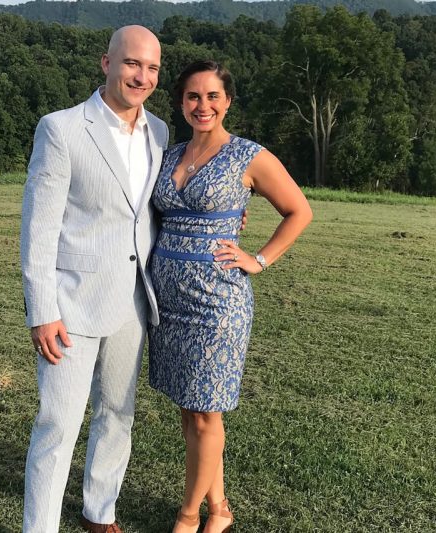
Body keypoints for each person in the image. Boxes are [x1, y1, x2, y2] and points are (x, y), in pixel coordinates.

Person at [147, 60, 313, 533]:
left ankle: (187, 515)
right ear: (180, 102)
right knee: (191, 408)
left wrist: (258, 259)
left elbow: (298, 211)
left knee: (205, 409)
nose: (203, 105)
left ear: (228, 102)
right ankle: (219, 509)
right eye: (193, 97)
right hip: (169, 300)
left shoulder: (248, 155)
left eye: (213, 97)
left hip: (217, 301)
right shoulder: (169, 153)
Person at [19, 26, 169, 533]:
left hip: (132, 303)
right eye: (132, 64)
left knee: (118, 415)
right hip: (71, 305)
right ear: (106, 63)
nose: (141, 76)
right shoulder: (61, 129)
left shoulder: (161, 132)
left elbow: (157, 210)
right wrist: (42, 310)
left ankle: (98, 512)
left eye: (151, 68)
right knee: (57, 424)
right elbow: (38, 227)